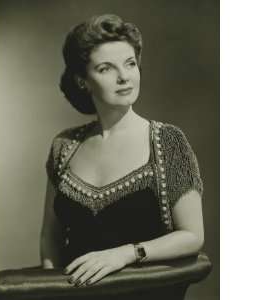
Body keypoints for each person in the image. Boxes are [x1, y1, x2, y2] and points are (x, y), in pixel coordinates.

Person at [40, 14, 204, 288]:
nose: (124, 77)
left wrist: (127, 254)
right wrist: (51, 290)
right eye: (106, 68)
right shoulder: (64, 147)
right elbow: (51, 239)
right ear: (82, 80)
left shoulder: (168, 141)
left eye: (130, 64)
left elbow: (192, 235)